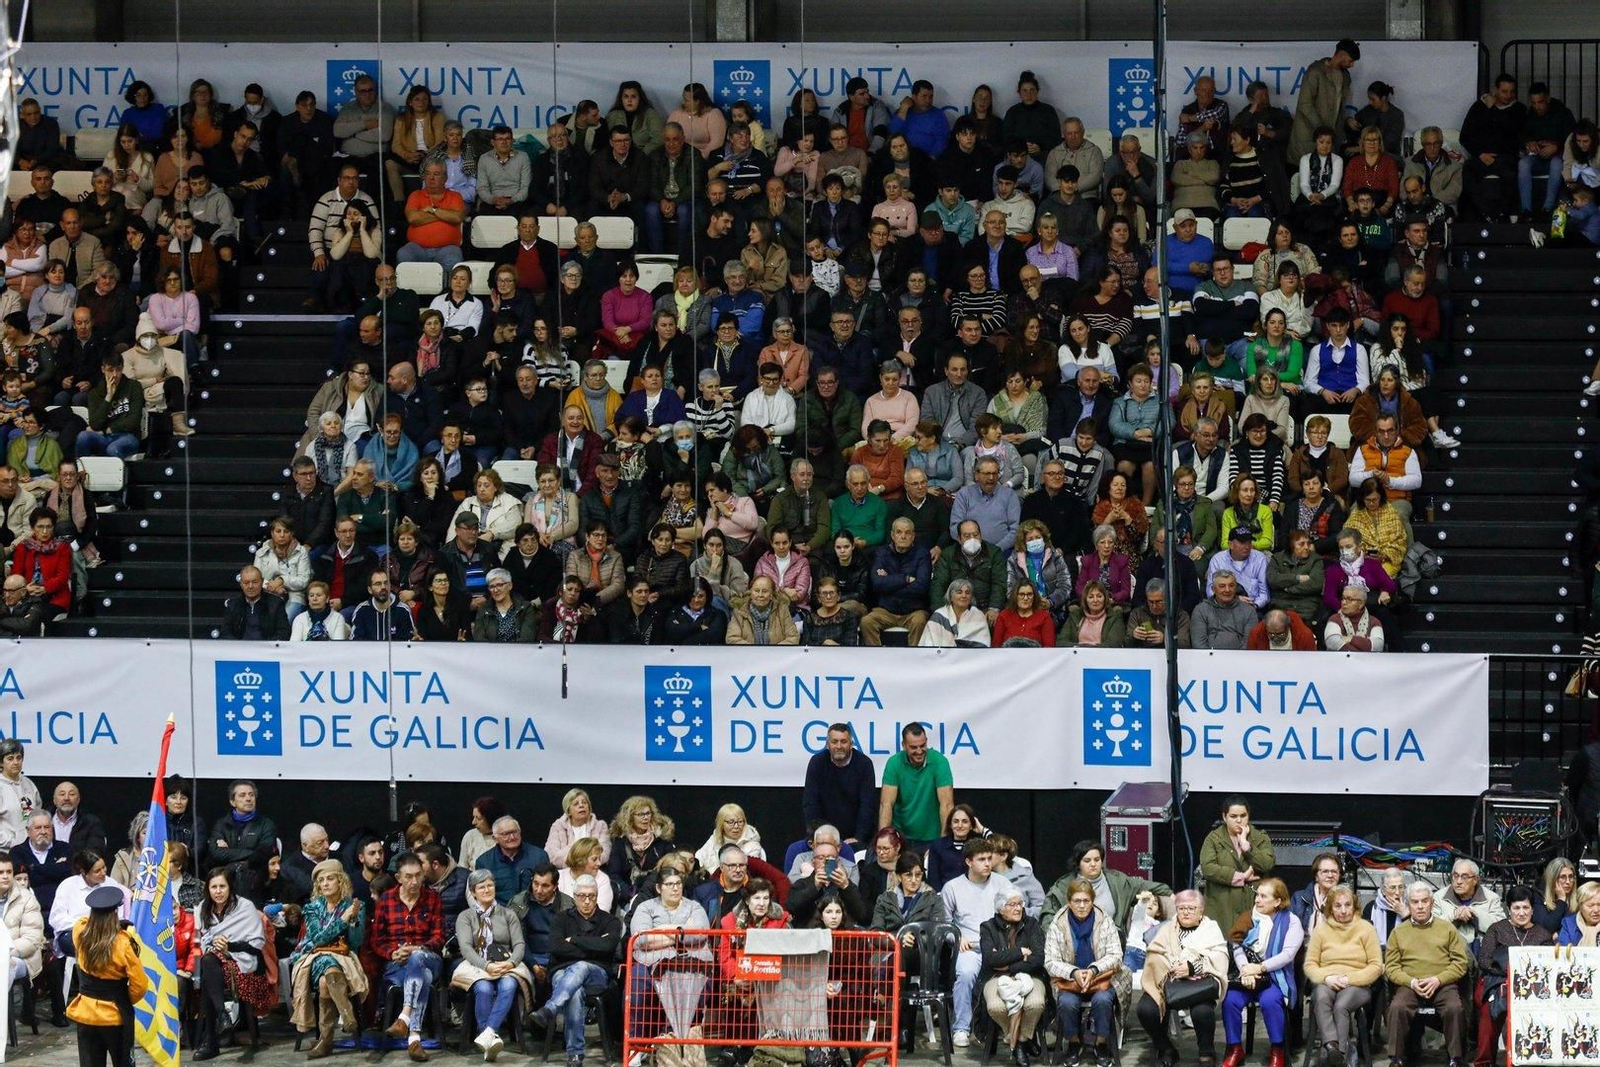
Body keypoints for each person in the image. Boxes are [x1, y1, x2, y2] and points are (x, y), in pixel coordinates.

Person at [1138, 889, 1229, 1067]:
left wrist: (1192, 967)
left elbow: (1220, 958)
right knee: (1145, 1009)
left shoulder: (1210, 929)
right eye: (1181, 908)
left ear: (1201, 911)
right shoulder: (1167, 929)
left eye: (1191, 908)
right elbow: (1155, 954)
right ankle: (1166, 1048)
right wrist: (1171, 966)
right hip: (1168, 982)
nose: (1186, 912)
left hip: (1199, 984)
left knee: (1202, 1011)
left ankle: (1207, 1053)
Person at [1219, 878, 1304, 1067]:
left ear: (1278, 901)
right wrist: (1246, 970)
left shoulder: (1291, 921)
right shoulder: (1247, 917)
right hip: (1247, 975)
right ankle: (1235, 1048)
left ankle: (1277, 1050)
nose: (1257, 900)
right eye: (1257, 895)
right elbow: (1237, 946)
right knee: (1230, 1000)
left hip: (1274, 976)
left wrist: (1261, 967)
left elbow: (1287, 955)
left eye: (1264, 896)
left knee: (1269, 1001)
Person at [1046, 877, 1129, 1067]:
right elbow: (1050, 961)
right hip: (1070, 981)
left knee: (1103, 1000)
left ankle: (1101, 1043)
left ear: (1092, 901)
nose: (1082, 906)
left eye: (1086, 901)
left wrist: (1094, 969)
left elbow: (1116, 955)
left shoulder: (1104, 920)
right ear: (1069, 902)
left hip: (1100, 979)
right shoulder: (1058, 924)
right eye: (1077, 901)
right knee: (1067, 1003)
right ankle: (1074, 1043)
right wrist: (1074, 972)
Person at [288, 859, 368, 1058]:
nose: (325, 884)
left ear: (341, 881)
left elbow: (356, 942)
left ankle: (326, 1041)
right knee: (326, 960)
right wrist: (343, 919)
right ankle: (347, 1013)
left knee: (326, 981)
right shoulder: (312, 908)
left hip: (344, 959)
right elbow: (318, 939)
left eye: (330, 879)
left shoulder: (355, 906)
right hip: (312, 957)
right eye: (321, 881)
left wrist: (354, 920)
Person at [190, 866, 272, 1061]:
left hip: (243, 961)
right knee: (209, 961)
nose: (218, 891)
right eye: (214, 887)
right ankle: (221, 1017)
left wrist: (230, 946)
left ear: (230, 887)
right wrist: (214, 944)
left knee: (209, 969)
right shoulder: (203, 909)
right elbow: (202, 941)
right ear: (208, 889)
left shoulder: (245, 907)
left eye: (222, 886)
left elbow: (256, 945)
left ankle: (212, 1038)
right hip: (215, 963)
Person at [1385, 882, 1470, 1066]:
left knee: (1454, 1008)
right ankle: (1396, 1059)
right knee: (1397, 1007)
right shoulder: (1398, 932)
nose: (1420, 906)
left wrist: (1438, 979)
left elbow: (1460, 963)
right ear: (1408, 905)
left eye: (1424, 901)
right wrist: (1411, 982)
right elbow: (1391, 967)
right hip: (1410, 984)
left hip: (1442, 983)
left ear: (1432, 903)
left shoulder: (1447, 928)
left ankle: (1456, 1059)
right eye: (1415, 902)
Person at [942, 839, 1016, 1048]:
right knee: (966, 974)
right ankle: (961, 1028)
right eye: (981, 859)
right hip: (970, 948)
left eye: (989, 859)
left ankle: (1010, 1029)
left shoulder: (1002, 884)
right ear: (968, 861)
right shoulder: (952, 887)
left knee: (1015, 975)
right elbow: (944, 924)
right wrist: (956, 937)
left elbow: (1015, 915)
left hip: (998, 946)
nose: (987, 864)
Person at [451, 869, 528, 1063]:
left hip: (505, 963)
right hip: (477, 963)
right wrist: (486, 966)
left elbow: (519, 944)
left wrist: (510, 963)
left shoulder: (508, 914)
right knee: (483, 988)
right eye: (481, 887)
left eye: (490, 885)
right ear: (473, 892)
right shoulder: (465, 916)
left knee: (509, 984)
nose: (487, 890)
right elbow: (466, 948)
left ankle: (487, 1034)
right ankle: (489, 1038)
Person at [68, 884, 147, 1067]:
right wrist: (124, 998)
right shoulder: (123, 944)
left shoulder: (80, 932)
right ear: (115, 913)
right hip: (114, 1014)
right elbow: (140, 985)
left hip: (85, 1012)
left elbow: (83, 921)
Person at [981, 885, 1048, 1067]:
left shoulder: (1032, 925)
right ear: (1001, 908)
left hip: (1030, 975)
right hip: (996, 977)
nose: (1018, 908)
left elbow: (1038, 959)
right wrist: (1020, 952)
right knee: (995, 1007)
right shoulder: (988, 927)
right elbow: (990, 960)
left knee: (1035, 1003)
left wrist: (1007, 965)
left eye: (1020, 904)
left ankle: (1020, 1040)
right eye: (1012, 905)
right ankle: (1022, 1040)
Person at [1199, 797, 1274, 930]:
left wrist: (1247, 847)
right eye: (1233, 816)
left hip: (1252, 905)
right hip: (1221, 908)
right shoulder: (1214, 839)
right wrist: (1241, 877)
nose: (1239, 820)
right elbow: (1208, 868)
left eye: (1243, 816)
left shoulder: (1259, 837)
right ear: (1225, 817)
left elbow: (1267, 864)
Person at [879, 722, 954, 853]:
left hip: (933, 838)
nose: (919, 751)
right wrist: (883, 841)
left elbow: (947, 805)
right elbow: (886, 804)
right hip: (901, 837)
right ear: (904, 745)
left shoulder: (940, 762)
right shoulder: (894, 763)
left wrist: (944, 842)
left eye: (922, 745)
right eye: (913, 747)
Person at [803, 724, 877, 847]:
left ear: (851, 744)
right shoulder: (817, 762)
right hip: (822, 836)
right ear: (828, 744)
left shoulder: (864, 764)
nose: (839, 746)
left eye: (843, 742)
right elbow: (811, 803)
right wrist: (819, 835)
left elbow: (867, 806)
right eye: (834, 742)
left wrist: (859, 837)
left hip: (856, 838)